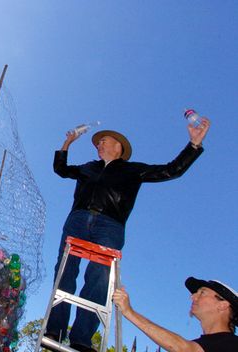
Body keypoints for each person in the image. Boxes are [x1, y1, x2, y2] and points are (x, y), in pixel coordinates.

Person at [45, 118, 211, 352]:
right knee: (65, 270)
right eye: (97, 142)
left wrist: (193, 145)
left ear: (118, 146)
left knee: (100, 278)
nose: (98, 145)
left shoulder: (132, 170)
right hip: (79, 219)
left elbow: (171, 170)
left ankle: (81, 338)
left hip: (109, 225)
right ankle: (55, 329)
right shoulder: (88, 167)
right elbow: (60, 170)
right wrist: (67, 143)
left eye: (104, 141)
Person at [113, 277, 238, 351]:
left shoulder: (232, 345)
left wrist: (129, 312)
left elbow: (183, 348)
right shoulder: (200, 344)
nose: (193, 296)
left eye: (202, 292)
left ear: (223, 305)